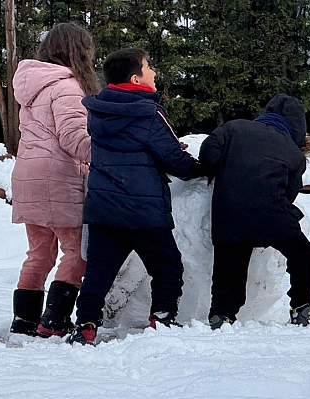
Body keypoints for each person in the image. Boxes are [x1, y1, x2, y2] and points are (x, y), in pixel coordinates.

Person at [65, 48, 204, 344]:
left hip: (104, 209)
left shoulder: (98, 112)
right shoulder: (149, 113)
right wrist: (204, 168)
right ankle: (162, 317)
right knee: (167, 267)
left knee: (99, 273)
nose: (153, 72)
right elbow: (174, 160)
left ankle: (86, 324)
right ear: (136, 79)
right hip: (145, 211)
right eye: (148, 66)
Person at [9, 22, 100, 338]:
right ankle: (55, 319)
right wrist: (110, 150)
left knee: (39, 253)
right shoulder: (66, 87)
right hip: (57, 179)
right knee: (77, 252)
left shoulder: (32, 87)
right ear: (78, 51)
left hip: (27, 178)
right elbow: (74, 137)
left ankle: (24, 320)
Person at [198, 93, 310, 329]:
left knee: (229, 268)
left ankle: (222, 314)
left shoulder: (233, 129)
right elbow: (291, 192)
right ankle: (301, 308)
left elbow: (208, 155)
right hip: (273, 216)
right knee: (304, 257)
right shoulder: (293, 153)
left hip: (230, 215)